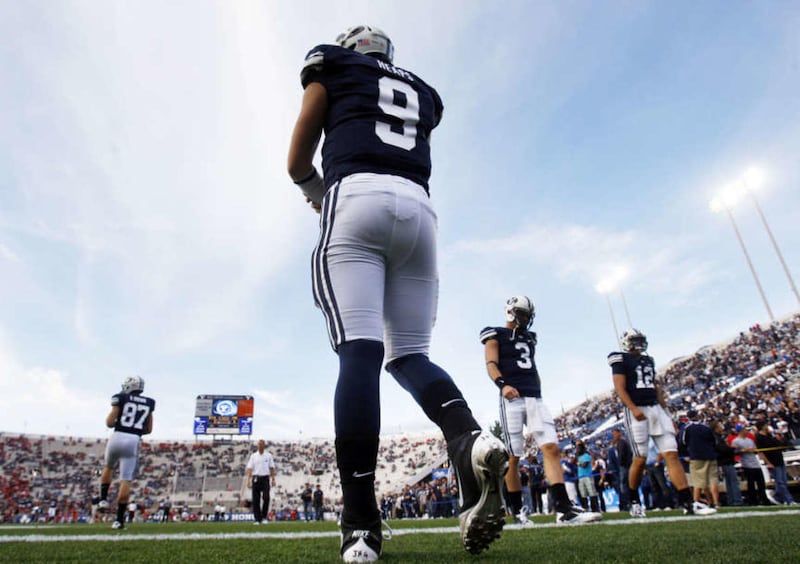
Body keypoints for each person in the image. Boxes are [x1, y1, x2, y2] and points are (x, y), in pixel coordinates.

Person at [288, 24, 508, 562]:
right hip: (420, 215)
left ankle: (361, 521)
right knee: (410, 355)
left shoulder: (334, 64)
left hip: (355, 198)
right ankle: (468, 436)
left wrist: (314, 192)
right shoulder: (423, 91)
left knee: (360, 352)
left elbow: (297, 157)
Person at [481, 295, 601, 525]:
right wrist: (502, 384)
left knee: (551, 448)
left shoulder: (529, 338)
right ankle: (517, 512)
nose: (526, 319)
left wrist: (539, 390)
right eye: (523, 314)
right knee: (512, 457)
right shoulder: (495, 334)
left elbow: (533, 368)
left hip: (535, 397)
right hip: (511, 399)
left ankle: (564, 510)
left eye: (527, 315)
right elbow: (491, 363)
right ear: (511, 312)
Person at [608, 329, 714, 517]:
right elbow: (619, 387)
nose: (639, 343)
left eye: (640, 340)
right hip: (637, 408)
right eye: (635, 340)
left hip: (656, 408)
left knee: (671, 455)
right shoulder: (620, 358)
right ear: (626, 342)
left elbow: (656, 388)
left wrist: (666, 412)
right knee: (640, 459)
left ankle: (688, 502)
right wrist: (633, 408)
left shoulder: (648, 360)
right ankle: (634, 501)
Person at [97, 375, 155, 530]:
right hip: (134, 439)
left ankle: (103, 499)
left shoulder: (120, 398)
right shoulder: (149, 403)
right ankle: (118, 521)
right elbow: (148, 429)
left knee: (109, 466)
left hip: (117, 436)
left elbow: (109, 423)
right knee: (125, 480)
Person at [678, 410, 719, 512]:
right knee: (713, 480)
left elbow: (682, 442)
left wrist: (685, 454)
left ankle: (695, 502)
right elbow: (713, 441)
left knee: (698, 481)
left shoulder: (687, 428)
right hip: (710, 455)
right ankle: (716, 502)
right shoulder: (705, 427)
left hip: (696, 456)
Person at [755, 422, 794, 505]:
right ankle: (789, 499)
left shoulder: (770, 435)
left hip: (779, 459)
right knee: (780, 481)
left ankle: (777, 497)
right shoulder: (759, 437)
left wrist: (780, 438)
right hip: (772, 461)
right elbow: (761, 452)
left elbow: (781, 445)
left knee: (784, 481)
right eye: (765, 425)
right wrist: (768, 462)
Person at [731, 424, 768, 506]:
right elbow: (734, 451)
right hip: (747, 464)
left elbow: (756, 450)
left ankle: (764, 499)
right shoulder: (736, 441)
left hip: (755, 463)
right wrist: (743, 450)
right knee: (751, 483)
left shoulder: (750, 440)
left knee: (761, 483)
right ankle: (753, 500)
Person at [711, 420, 743, 506]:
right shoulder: (716, 438)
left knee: (729, 482)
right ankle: (737, 500)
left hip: (724, 460)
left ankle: (732, 500)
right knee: (733, 481)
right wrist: (732, 449)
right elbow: (721, 449)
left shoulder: (718, 437)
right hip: (725, 461)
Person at [245, 439, 276, 524]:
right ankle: (257, 519)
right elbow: (249, 468)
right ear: (257, 446)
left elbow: (272, 468)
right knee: (256, 500)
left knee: (266, 498)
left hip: (265, 478)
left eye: (262, 444)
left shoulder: (268, 456)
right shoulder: (253, 456)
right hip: (256, 478)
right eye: (259, 444)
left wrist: (273, 479)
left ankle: (264, 517)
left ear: (264, 445)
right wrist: (248, 480)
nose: (260, 446)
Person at [607, 427, 632, 511]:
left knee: (627, 487)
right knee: (621, 489)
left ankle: (630, 503)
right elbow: (611, 462)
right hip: (617, 473)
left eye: (615, 434)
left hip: (625, 468)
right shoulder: (611, 450)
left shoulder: (624, 443)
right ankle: (624, 505)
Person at [575, 441, 600, 513]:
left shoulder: (586, 456)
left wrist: (578, 463)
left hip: (588, 476)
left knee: (592, 492)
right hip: (581, 476)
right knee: (583, 494)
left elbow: (584, 465)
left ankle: (595, 508)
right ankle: (585, 508)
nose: (578, 449)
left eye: (579, 448)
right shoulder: (578, 457)